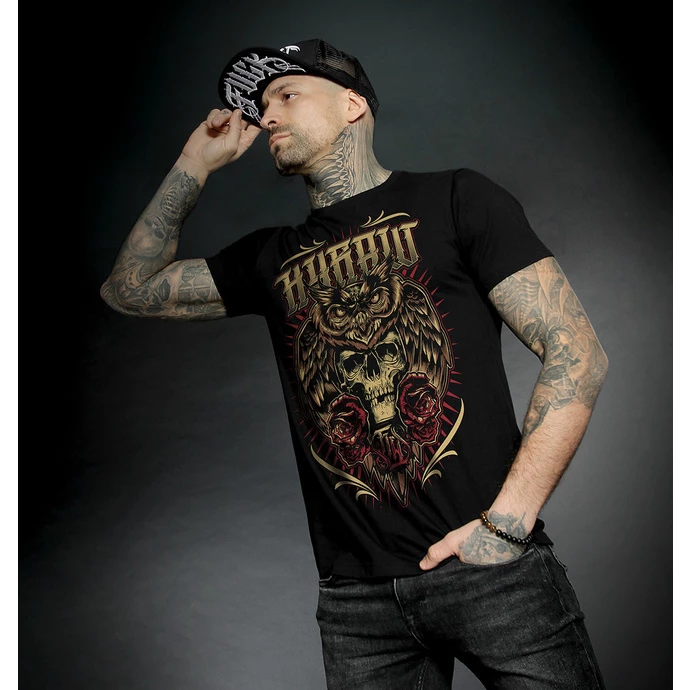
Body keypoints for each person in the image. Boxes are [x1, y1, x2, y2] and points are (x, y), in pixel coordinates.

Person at [100, 38, 609, 689]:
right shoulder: (268, 258)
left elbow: (576, 351)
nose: (267, 115)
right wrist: (192, 164)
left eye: (286, 95)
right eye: (262, 105)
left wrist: (507, 525)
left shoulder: (457, 199)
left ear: (351, 104)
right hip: (359, 608)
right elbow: (130, 289)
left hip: (493, 573)